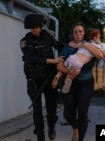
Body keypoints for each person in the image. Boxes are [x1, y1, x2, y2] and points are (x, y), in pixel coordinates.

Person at [56, 23, 105, 141]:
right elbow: (59, 65)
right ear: (72, 34)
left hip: (86, 83)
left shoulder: (90, 45)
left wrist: (86, 45)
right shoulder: (67, 47)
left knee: (83, 113)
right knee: (68, 114)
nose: (78, 33)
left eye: (81, 31)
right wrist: (68, 71)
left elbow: (100, 56)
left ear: (84, 33)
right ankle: (75, 128)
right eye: (76, 31)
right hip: (70, 82)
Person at [20, 13, 64, 141]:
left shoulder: (48, 36)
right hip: (34, 80)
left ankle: (51, 126)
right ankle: (40, 136)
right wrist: (51, 61)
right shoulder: (24, 41)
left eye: (37, 27)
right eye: (32, 28)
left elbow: (59, 46)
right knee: (37, 110)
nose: (35, 30)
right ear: (29, 28)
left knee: (51, 109)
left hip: (49, 78)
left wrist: (73, 50)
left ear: (40, 26)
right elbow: (32, 58)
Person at [51, 28, 105, 94]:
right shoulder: (97, 46)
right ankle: (67, 81)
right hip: (78, 63)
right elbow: (103, 55)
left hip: (72, 58)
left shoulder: (82, 43)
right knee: (72, 74)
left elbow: (71, 44)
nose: (99, 39)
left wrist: (70, 44)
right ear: (95, 38)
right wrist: (104, 53)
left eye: (80, 31)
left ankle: (57, 76)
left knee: (65, 67)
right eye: (99, 38)